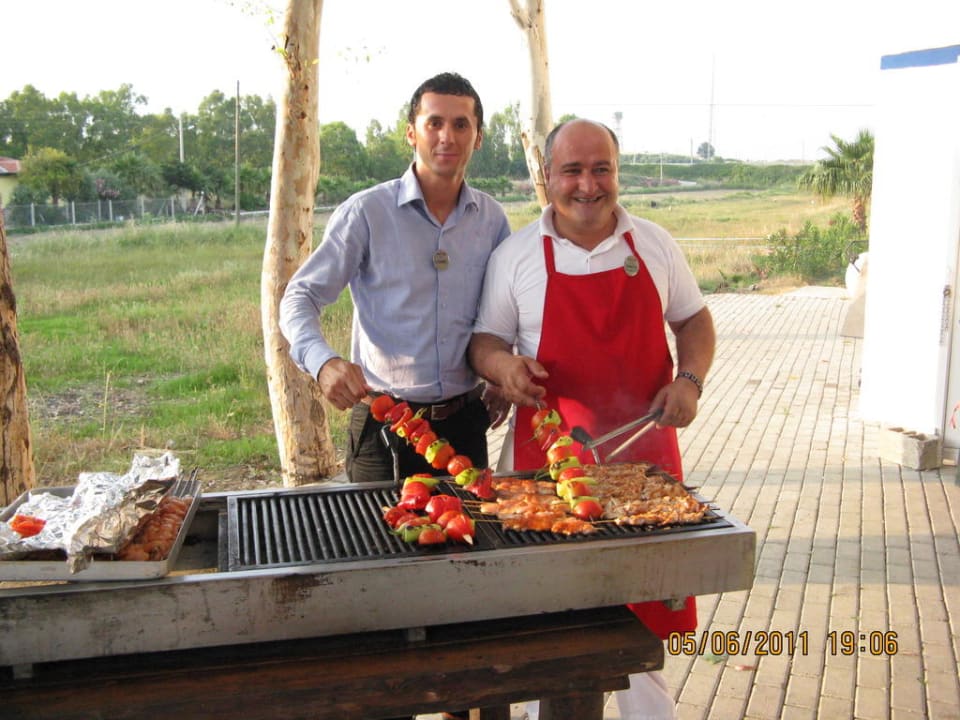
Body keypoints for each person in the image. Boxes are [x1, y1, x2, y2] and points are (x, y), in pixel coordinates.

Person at [468, 119, 716, 720]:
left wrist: (689, 380)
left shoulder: (654, 244)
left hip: (644, 468)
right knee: (544, 628)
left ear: (616, 173)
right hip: (544, 475)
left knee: (644, 625)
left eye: (600, 168)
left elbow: (694, 321)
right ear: (548, 176)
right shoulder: (516, 255)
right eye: (572, 170)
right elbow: (484, 342)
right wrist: (505, 368)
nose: (587, 184)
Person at [279, 72, 511, 488]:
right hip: (384, 425)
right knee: (377, 546)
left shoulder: (491, 220)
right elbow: (301, 295)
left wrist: (502, 372)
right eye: (434, 123)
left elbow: (507, 308)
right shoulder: (367, 213)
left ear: (478, 137)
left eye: (462, 124)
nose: (447, 136)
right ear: (411, 133)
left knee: (473, 546)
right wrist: (324, 363)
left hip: (465, 424)